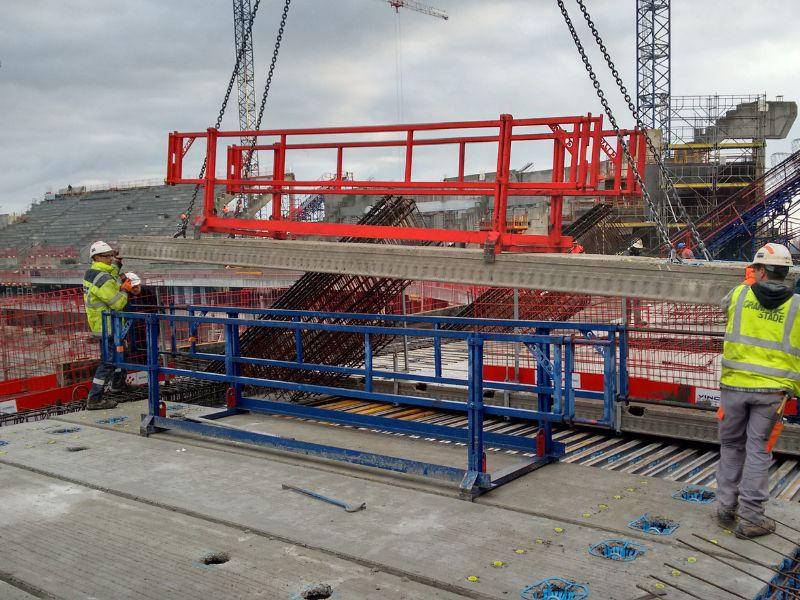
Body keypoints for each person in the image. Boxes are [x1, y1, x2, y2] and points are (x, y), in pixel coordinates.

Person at [716, 242, 796, 538]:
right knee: (757, 451)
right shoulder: (797, 305)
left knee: (732, 447)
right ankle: (751, 518)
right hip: (773, 393)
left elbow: (725, 306)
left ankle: (726, 509)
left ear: (759, 270)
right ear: (786, 273)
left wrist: (748, 282)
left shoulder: (739, 294)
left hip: (734, 387)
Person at [82, 241, 141, 410]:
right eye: (107, 256)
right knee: (108, 361)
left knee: (121, 352)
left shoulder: (95, 272)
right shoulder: (103, 279)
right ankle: (94, 398)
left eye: (111, 255)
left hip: (108, 325)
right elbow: (117, 304)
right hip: (106, 326)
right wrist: (124, 289)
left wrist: (118, 262)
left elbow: (111, 272)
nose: (110, 258)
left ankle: (118, 386)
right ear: (96, 257)